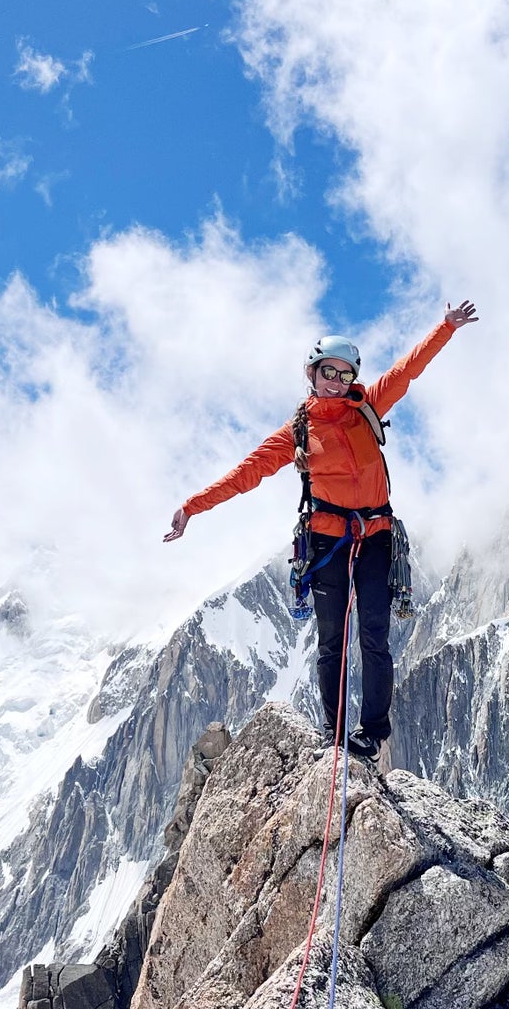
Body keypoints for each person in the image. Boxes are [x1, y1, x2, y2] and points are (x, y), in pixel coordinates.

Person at [164, 300, 479, 758]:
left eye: (344, 374)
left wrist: (445, 328)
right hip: (328, 542)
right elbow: (246, 473)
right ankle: (334, 734)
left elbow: (408, 370)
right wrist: (193, 507)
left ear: (353, 379)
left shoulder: (368, 407)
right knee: (333, 640)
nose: (335, 381)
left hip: (374, 537)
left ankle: (372, 733)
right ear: (311, 375)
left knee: (374, 633)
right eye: (327, 372)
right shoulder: (297, 432)